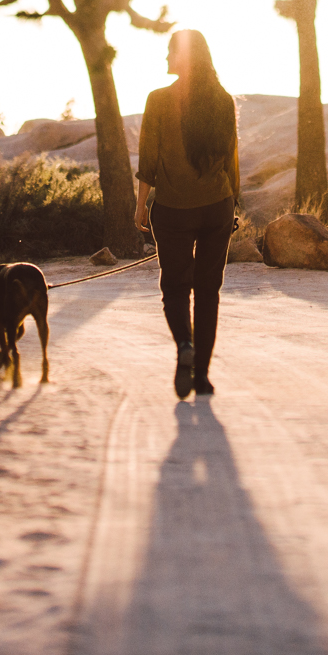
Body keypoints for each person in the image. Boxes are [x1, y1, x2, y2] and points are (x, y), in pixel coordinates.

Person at [134, 28, 240, 399]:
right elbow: (231, 160)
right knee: (209, 292)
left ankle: (184, 347)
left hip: (174, 210)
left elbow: (148, 159)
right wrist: (234, 206)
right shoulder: (223, 100)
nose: (165, 58)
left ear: (184, 58)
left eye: (169, 51)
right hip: (216, 208)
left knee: (176, 288)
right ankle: (203, 377)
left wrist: (140, 204)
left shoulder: (158, 100)